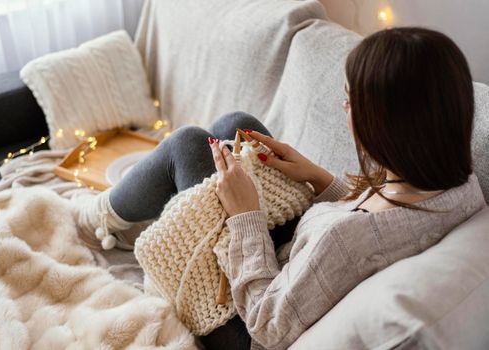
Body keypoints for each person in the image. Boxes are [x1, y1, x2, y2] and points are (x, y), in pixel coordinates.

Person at [76, 27, 487, 350]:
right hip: (297, 262)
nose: (344, 110)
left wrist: (246, 216)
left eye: (349, 102)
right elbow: (377, 218)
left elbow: (268, 326)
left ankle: (97, 219)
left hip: (245, 323)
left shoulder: (348, 242)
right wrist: (318, 178)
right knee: (237, 128)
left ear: (384, 127)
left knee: (188, 145)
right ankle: (125, 212)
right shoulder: (452, 181)